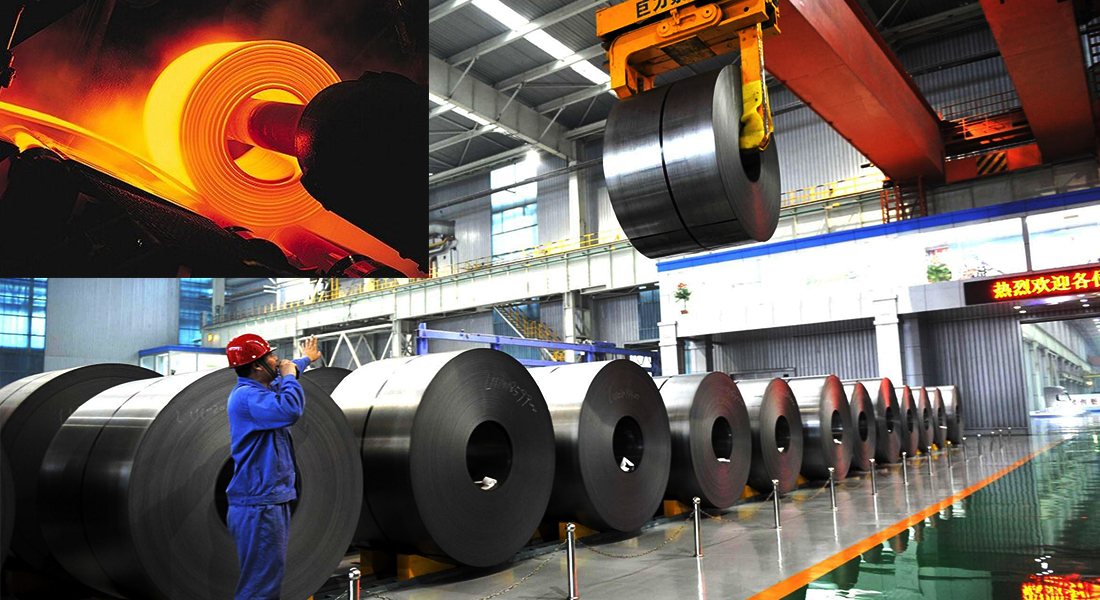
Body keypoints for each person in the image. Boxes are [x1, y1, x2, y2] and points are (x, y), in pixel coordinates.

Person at [224, 333, 323, 600]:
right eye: (271, 356)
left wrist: (304, 360)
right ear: (257, 366)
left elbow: (285, 373)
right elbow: (290, 409)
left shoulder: (260, 390)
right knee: (260, 588)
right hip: (259, 505)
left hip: (266, 501)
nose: (277, 360)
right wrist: (290, 376)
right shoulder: (248, 397)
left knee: (265, 580)